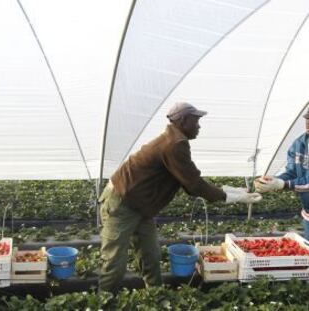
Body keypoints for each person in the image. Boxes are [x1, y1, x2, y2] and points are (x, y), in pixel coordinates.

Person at [98, 102, 262, 293]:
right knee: (114, 260)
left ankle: (156, 295)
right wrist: (235, 197)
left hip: (140, 206)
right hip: (121, 203)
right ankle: (105, 301)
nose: (199, 126)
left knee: (150, 254)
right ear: (183, 121)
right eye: (196, 121)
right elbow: (194, 185)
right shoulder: (175, 144)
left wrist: (234, 191)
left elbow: (190, 180)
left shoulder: (174, 140)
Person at [254, 104, 309, 240]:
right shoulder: (299, 144)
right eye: (307, 118)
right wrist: (273, 181)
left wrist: (282, 184)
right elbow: (292, 172)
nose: (308, 122)